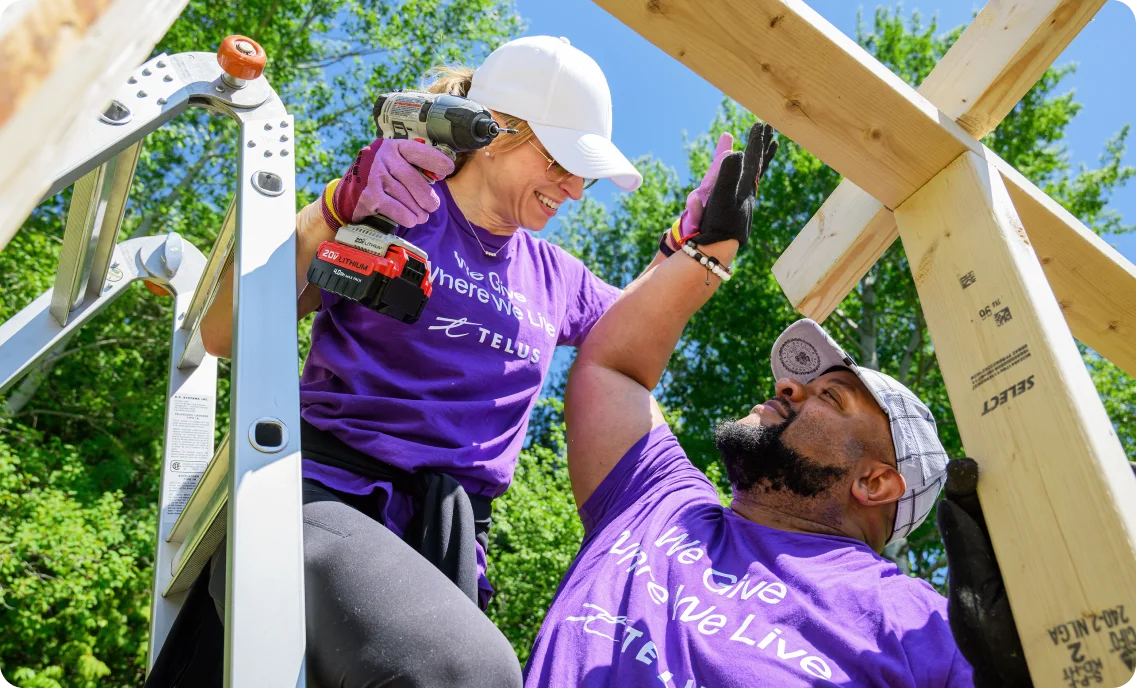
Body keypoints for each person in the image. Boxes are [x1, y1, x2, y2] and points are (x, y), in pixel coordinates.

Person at [148, 33, 737, 688]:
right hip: (321, 502)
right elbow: (228, 330)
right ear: (497, 131)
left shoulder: (558, 278)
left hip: (446, 545)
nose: (574, 190)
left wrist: (689, 249)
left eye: (586, 174)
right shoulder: (390, 205)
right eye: (562, 162)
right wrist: (332, 211)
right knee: (473, 673)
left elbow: (632, 331)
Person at [522, 122, 978, 686]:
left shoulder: (920, 624)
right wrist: (704, 254)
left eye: (829, 397)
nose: (788, 387)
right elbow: (610, 367)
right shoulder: (655, 501)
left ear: (876, 483)